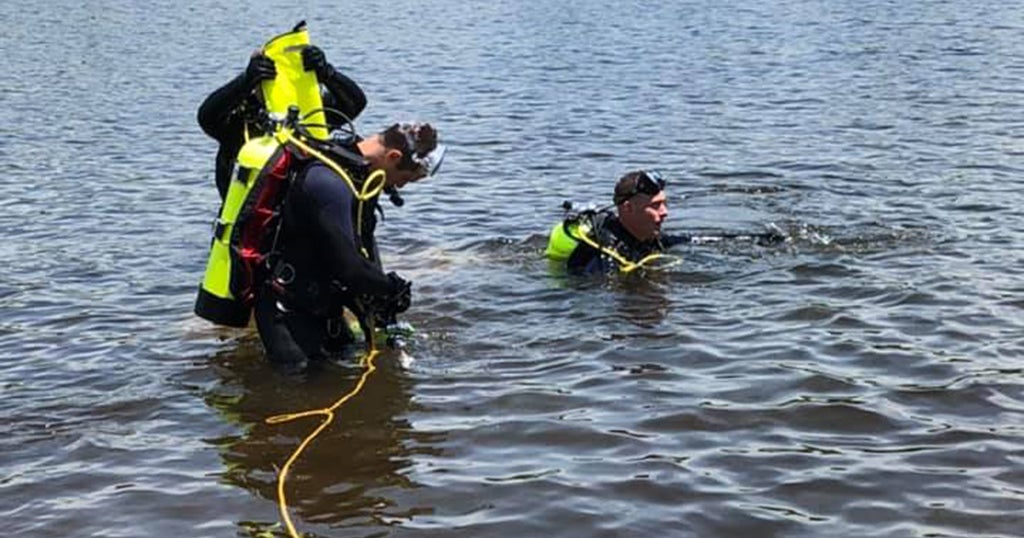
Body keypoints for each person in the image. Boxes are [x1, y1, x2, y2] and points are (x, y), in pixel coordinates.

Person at [255, 121, 447, 369]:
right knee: (304, 388)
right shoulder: (327, 183)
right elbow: (350, 269)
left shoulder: (362, 176)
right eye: (405, 178)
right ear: (393, 156)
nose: (399, 186)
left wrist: (380, 304)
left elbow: (361, 248)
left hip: (323, 302)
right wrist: (392, 288)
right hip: (288, 311)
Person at [197, 45, 367, 200]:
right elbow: (207, 117)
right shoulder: (240, 120)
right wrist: (245, 81)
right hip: (247, 220)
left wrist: (328, 74)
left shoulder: (309, 116)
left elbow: (355, 103)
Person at [547, 170, 685, 274]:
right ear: (628, 208)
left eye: (664, 203)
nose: (665, 212)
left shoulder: (646, 234)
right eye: (656, 205)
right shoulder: (604, 254)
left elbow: (680, 240)